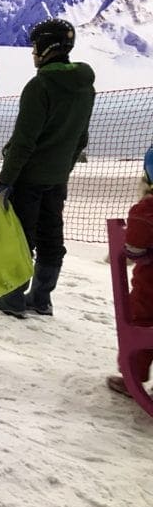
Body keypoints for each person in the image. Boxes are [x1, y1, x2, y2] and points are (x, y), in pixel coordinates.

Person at [0, 18, 96, 319]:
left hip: (29, 178)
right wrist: (62, 169)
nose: (33, 52)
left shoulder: (39, 86)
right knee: (51, 236)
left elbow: (23, 142)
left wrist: (6, 180)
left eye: (35, 46)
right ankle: (42, 298)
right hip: (57, 178)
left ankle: (13, 297)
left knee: (21, 237)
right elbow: (80, 138)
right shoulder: (85, 87)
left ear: (46, 47)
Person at [106, 147, 153, 396]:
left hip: (149, 292)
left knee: (141, 327)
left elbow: (134, 248)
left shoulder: (146, 210)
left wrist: (133, 252)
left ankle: (132, 377)